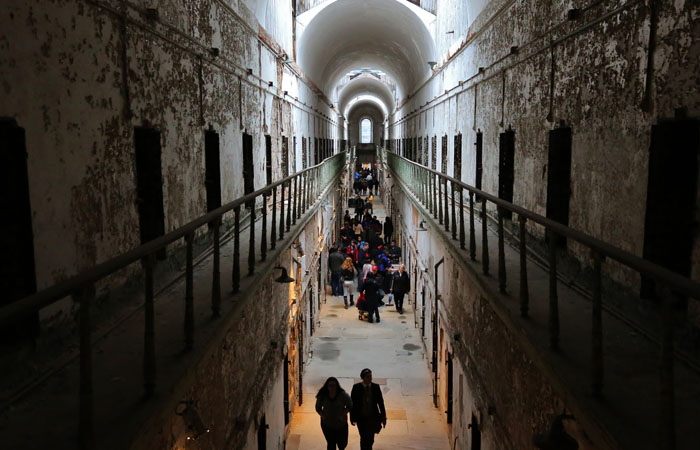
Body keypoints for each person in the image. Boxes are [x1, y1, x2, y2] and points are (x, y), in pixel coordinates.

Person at [350, 368, 386, 450]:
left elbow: (381, 403)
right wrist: (352, 417)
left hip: (372, 417)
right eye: (367, 376)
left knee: (370, 438)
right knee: (363, 437)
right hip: (361, 418)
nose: (370, 378)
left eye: (370, 376)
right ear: (363, 378)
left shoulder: (375, 387)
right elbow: (352, 404)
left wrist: (383, 416)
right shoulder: (356, 388)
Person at [316, 377, 353, 450]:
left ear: (337, 386)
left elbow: (350, 405)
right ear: (327, 386)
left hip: (341, 425)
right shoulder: (323, 395)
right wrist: (323, 416)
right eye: (330, 385)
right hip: (327, 425)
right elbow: (318, 407)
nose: (332, 387)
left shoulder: (343, 395)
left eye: (334, 385)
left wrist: (343, 414)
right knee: (331, 443)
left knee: (342, 444)